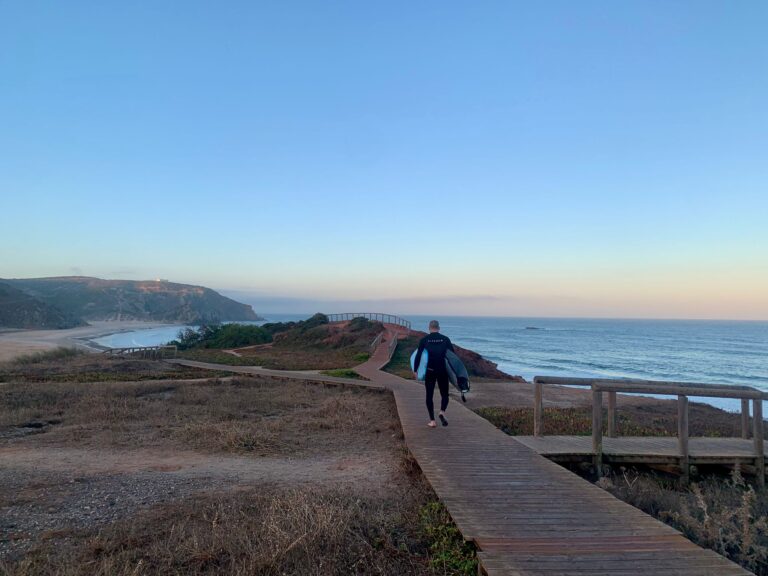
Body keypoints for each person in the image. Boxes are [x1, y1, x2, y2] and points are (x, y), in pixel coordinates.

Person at [413, 319, 454, 428]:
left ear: (429, 328)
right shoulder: (445, 339)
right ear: (439, 328)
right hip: (442, 371)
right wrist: (454, 373)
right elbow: (452, 357)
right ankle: (442, 412)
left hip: (430, 371)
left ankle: (432, 421)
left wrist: (415, 370)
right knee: (445, 394)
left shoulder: (425, 340)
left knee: (429, 395)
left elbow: (418, 356)